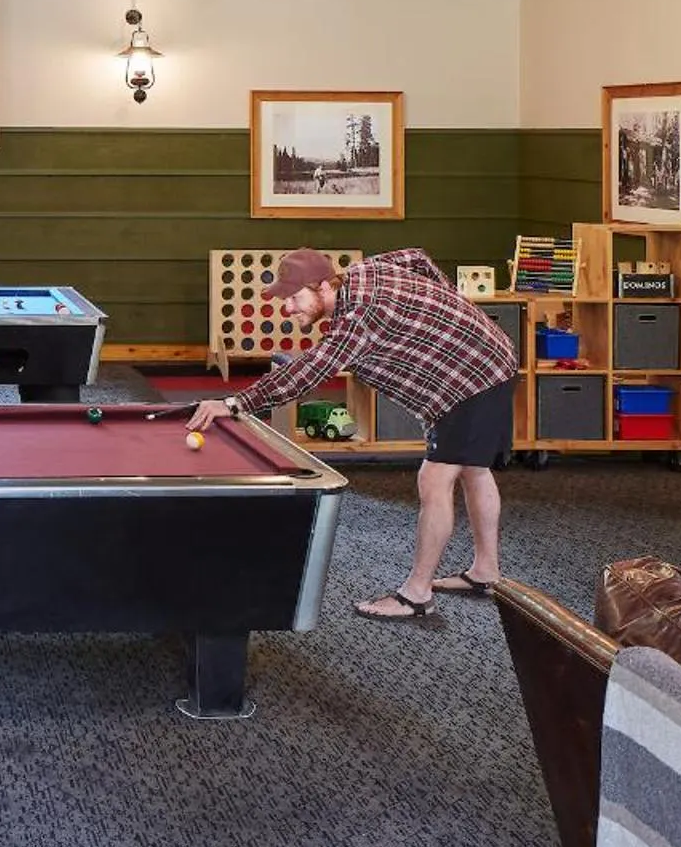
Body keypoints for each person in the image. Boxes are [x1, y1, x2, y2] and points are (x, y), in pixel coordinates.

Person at [188, 247, 516, 621]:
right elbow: (417, 258)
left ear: (325, 286)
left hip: (471, 379)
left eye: (295, 298)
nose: (288, 309)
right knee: (473, 470)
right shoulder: (362, 271)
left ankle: (416, 595)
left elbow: (307, 373)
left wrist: (234, 404)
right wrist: (450, 311)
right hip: (487, 359)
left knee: (435, 478)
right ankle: (485, 571)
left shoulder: (358, 319)